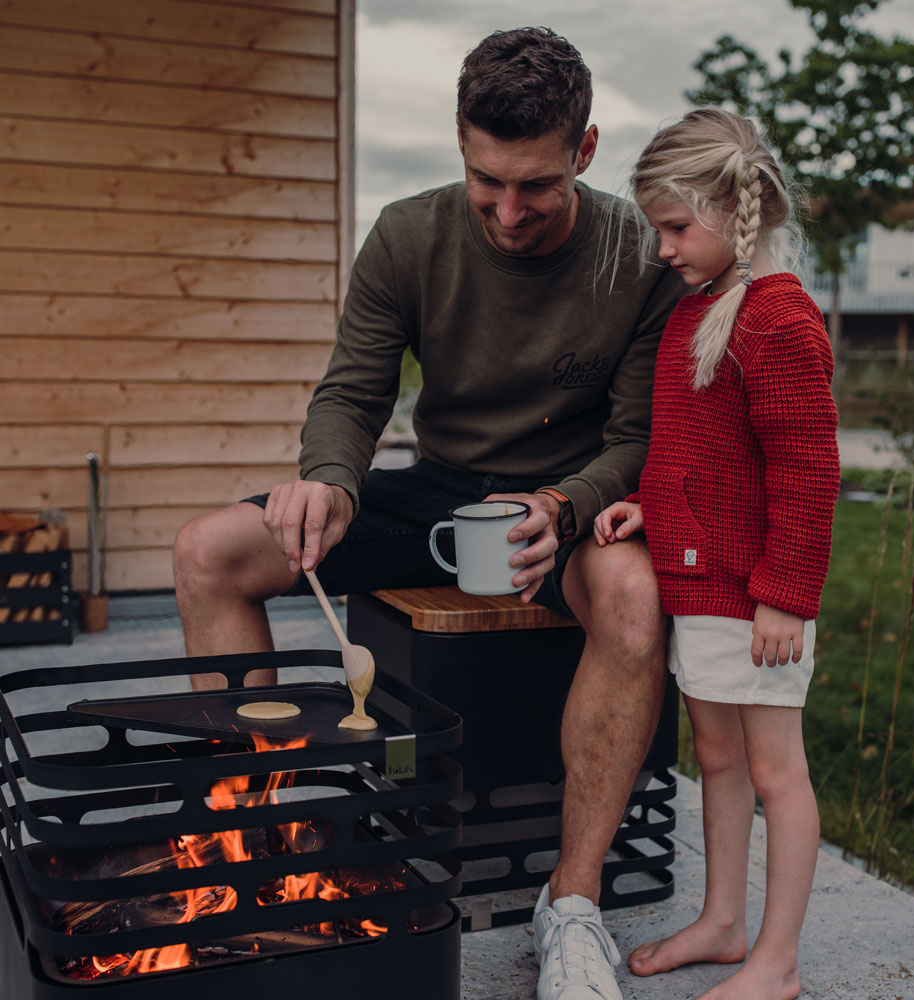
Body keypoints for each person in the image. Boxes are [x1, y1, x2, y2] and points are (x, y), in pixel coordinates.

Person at [172, 27, 685, 1000]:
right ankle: (246, 848)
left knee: (632, 597)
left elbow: (634, 438)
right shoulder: (409, 233)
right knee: (208, 551)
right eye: (484, 177)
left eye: (533, 184)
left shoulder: (634, 255)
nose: (505, 210)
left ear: (583, 150)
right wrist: (325, 479)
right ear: (459, 139)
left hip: (565, 503)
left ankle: (569, 908)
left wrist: (565, 505)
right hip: (439, 484)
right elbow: (353, 394)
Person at [594, 107, 840, 1000]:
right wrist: (645, 510)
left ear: (732, 213)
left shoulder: (777, 321)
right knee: (719, 756)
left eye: (674, 227)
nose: (663, 248)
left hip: (758, 602)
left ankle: (775, 963)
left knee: (777, 771)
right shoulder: (700, 314)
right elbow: (697, 458)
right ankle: (724, 919)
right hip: (701, 588)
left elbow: (808, 469)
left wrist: (786, 591)